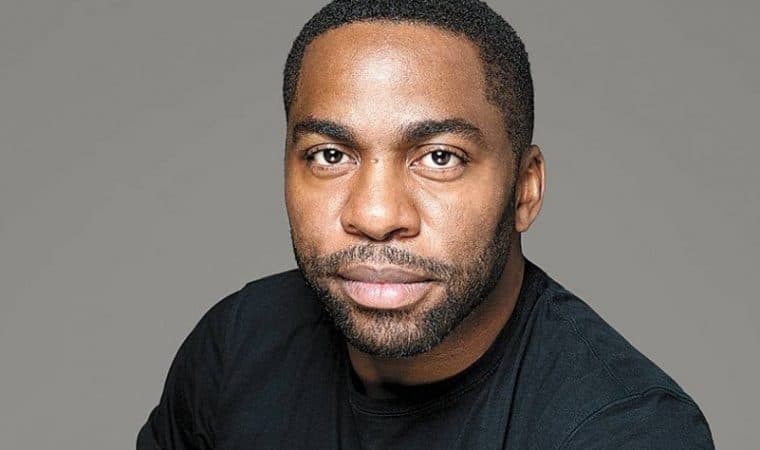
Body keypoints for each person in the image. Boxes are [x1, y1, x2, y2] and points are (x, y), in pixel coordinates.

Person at [138, 1, 714, 448]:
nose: (375, 216)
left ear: (525, 188)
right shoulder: (236, 349)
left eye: (440, 158)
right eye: (330, 155)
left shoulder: (625, 430)